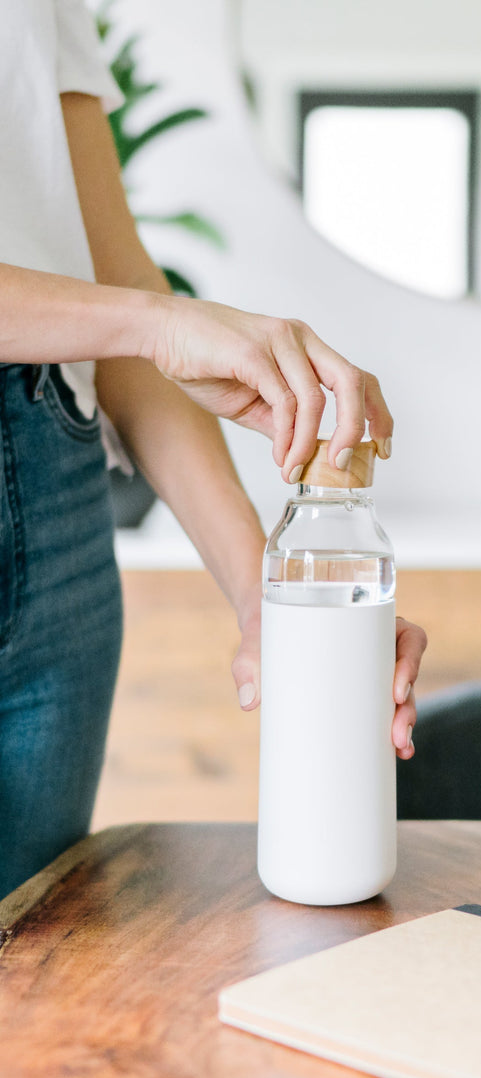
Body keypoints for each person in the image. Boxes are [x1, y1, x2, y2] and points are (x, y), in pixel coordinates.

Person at [0, 0, 427, 898]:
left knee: (30, 965)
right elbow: (137, 317)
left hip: (54, 485)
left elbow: (112, 278)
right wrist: (158, 322)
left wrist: (261, 591)